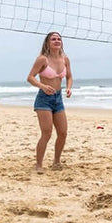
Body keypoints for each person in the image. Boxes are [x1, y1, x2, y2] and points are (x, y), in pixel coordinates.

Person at [27, 32, 72, 174]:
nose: (57, 41)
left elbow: (69, 77)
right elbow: (30, 77)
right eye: (53, 39)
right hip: (44, 99)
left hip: (58, 99)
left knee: (63, 133)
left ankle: (56, 161)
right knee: (46, 133)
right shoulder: (42, 59)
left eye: (59, 39)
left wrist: (69, 88)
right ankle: (38, 164)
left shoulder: (65, 59)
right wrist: (42, 86)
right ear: (48, 43)